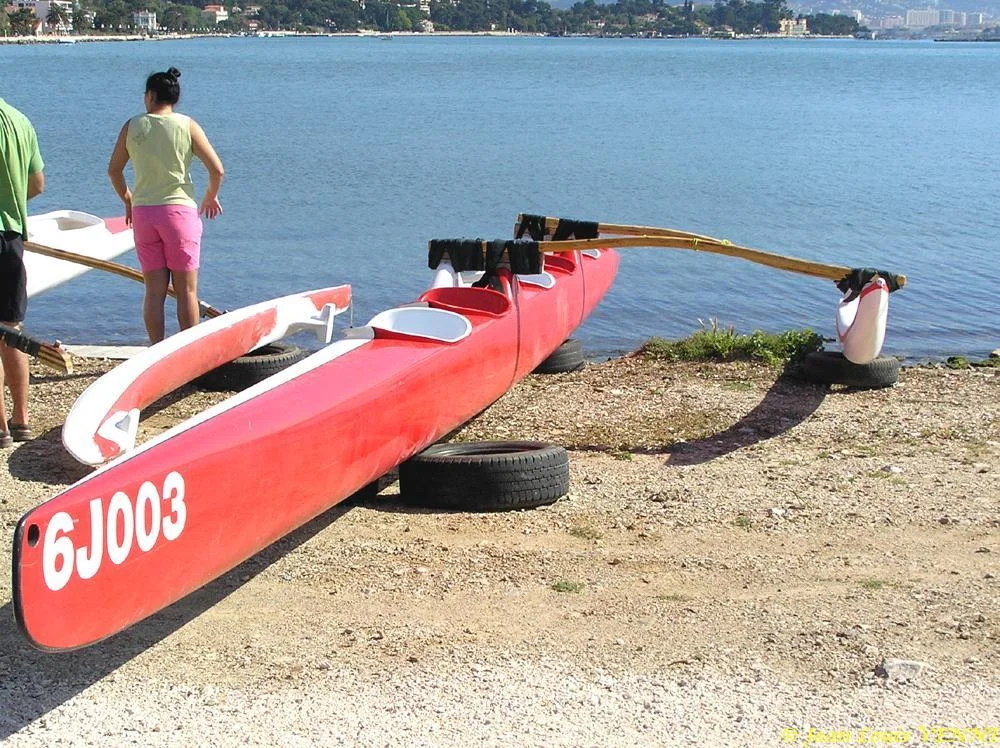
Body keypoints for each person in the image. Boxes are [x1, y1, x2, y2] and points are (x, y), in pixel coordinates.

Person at [108, 66, 224, 344]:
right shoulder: (187, 125)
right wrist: (210, 195)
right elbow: (217, 170)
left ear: (150, 96)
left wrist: (128, 199)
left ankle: (156, 351)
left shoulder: (132, 126)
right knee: (186, 292)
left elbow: (114, 170)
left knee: (154, 292)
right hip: (179, 213)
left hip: (144, 215)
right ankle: (187, 355)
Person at [0, 96, 45, 448]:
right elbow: (37, 184)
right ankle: (21, 420)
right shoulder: (20, 120)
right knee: (11, 329)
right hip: (12, 236)